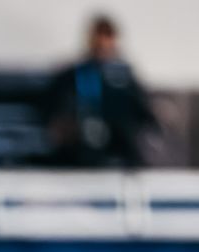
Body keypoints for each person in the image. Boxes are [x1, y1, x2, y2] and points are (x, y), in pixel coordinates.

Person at [45, 15, 158, 167]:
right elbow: (56, 109)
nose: (103, 47)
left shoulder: (124, 77)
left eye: (107, 41)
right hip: (80, 144)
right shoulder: (74, 75)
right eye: (99, 41)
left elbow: (141, 108)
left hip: (118, 141)